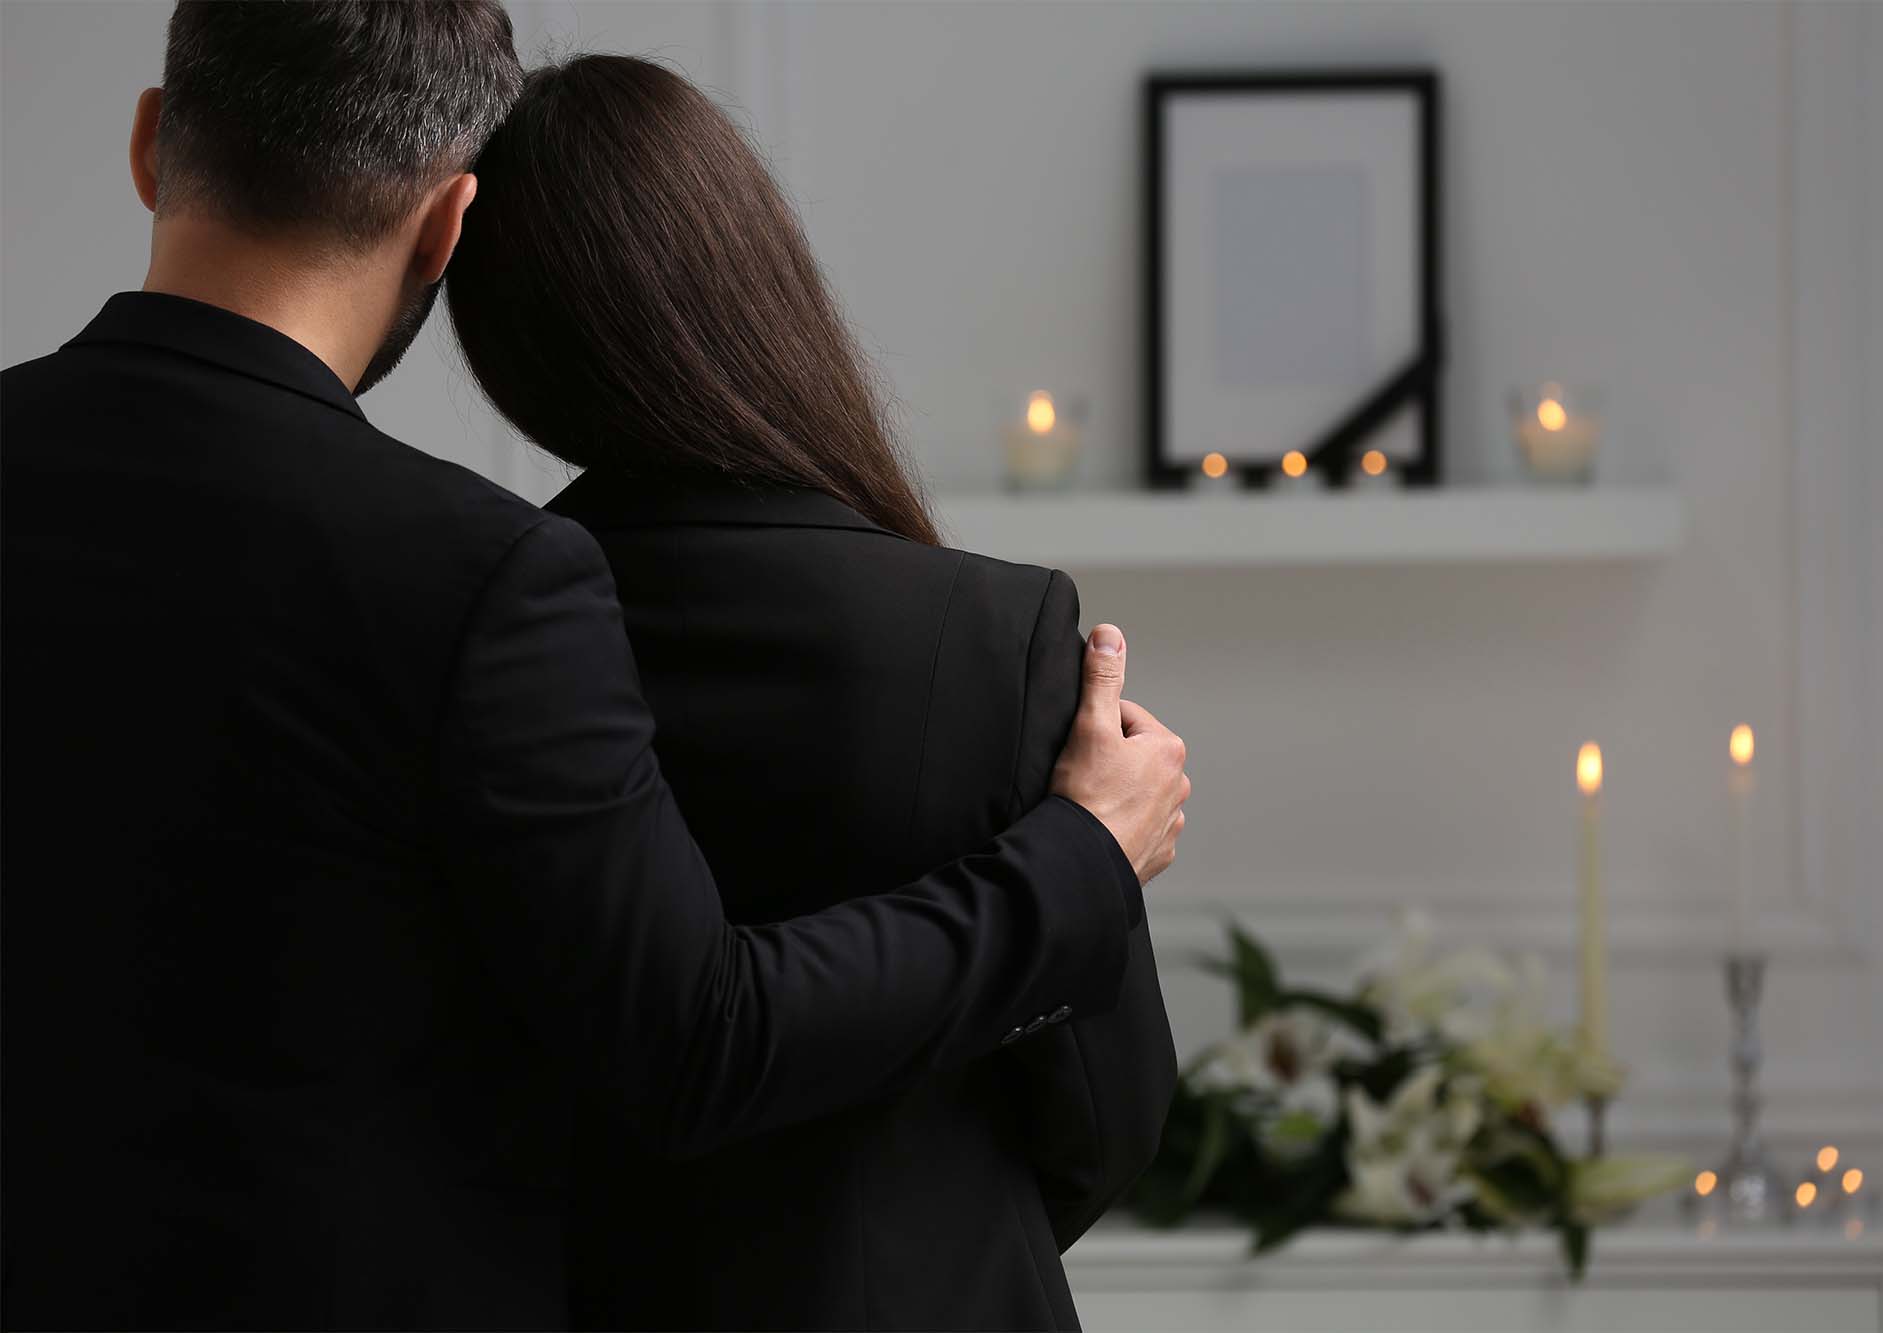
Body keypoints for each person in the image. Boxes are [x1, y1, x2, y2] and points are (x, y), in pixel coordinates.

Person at [0, 4, 1189, 1328]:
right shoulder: (464, 575)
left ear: (153, 143)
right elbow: (695, 1040)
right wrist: (1080, 860)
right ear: (450, 226)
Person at [444, 55, 1179, 1331]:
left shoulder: (471, 620)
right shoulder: (995, 630)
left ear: (503, 340)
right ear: (756, 275)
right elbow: (1107, 1119)